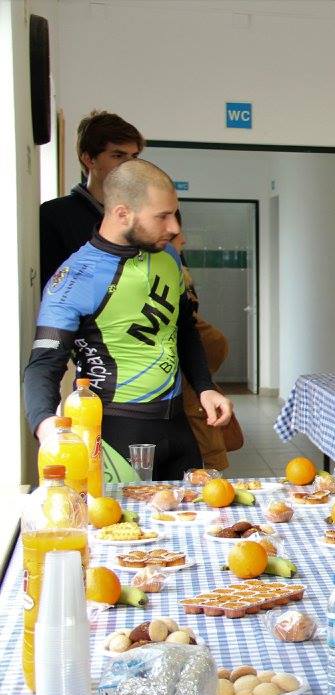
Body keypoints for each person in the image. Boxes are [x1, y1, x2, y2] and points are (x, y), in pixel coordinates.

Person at [24, 159, 234, 480]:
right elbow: (43, 363)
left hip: (179, 428)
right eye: (162, 216)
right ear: (122, 213)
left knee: (194, 513)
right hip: (116, 433)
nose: (175, 228)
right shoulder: (75, 278)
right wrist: (45, 424)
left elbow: (184, 328)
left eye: (174, 214)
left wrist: (205, 387)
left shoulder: (168, 257)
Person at [39, 110, 143, 292]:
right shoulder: (54, 216)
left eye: (134, 156)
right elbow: (50, 290)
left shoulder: (146, 215)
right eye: (118, 156)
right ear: (88, 159)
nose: (130, 165)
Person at [170, 213, 243, 472]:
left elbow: (200, 337)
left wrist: (202, 382)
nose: (183, 239)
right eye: (175, 235)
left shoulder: (177, 272)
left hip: (196, 387)